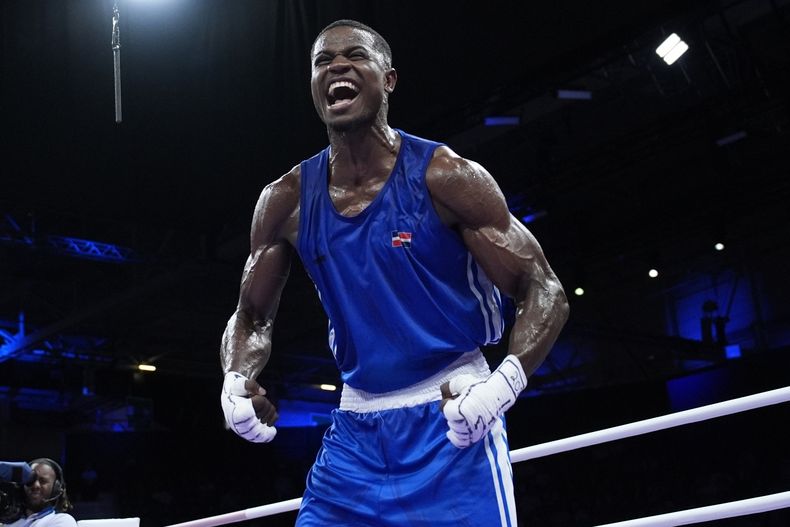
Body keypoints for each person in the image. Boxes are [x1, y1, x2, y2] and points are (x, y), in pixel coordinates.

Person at [220, 19, 569, 526]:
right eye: (322, 61)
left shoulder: (445, 177)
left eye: (354, 56)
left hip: (454, 417)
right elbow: (250, 315)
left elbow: (543, 289)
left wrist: (502, 388)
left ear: (389, 80)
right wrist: (235, 381)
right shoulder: (286, 200)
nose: (336, 65)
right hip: (355, 433)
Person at [2, 459, 77, 527]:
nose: (36, 485)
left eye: (43, 481)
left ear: (55, 488)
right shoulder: (9, 523)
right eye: (30, 481)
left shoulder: (62, 520)